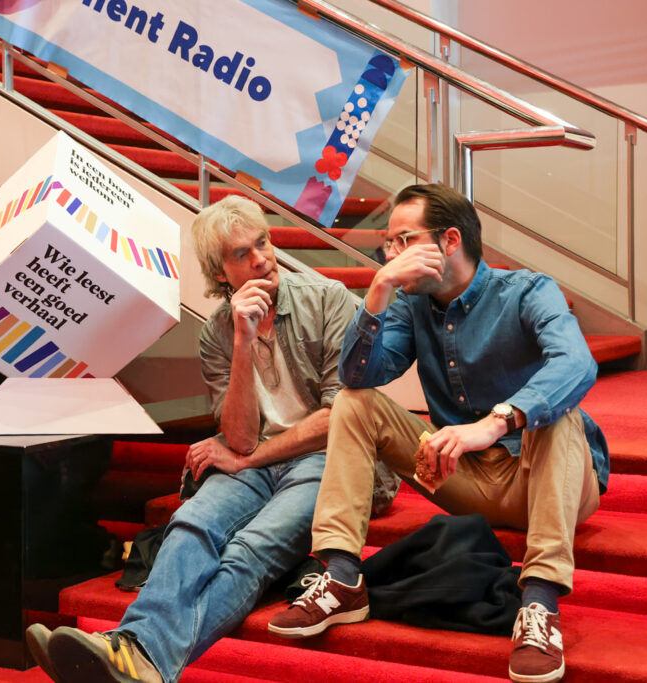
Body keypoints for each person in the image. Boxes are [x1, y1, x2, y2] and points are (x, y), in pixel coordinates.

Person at [25, 195, 399, 683]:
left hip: (330, 458)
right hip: (261, 461)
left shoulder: (327, 299)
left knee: (250, 548)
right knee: (190, 523)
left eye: (261, 243)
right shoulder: (219, 333)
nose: (262, 259)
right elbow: (240, 438)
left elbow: (337, 418)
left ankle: (142, 655)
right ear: (221, 274)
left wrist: (249, 460)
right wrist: (244, 340)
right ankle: (134, 650)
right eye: (242, 254)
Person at [266, 184, 608, 683]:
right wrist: (380, 289)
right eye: (387, 245)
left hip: (550, 480)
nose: (392, 255)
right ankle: (341, 577)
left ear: (449, 241)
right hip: (465, 478)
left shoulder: (529, 291)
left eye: (402, 240)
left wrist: (493, 425)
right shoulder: (409, 306)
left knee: (556, 412)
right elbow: (359, 376)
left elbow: (578, 364)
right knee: (353, 403)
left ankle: (539, 607)